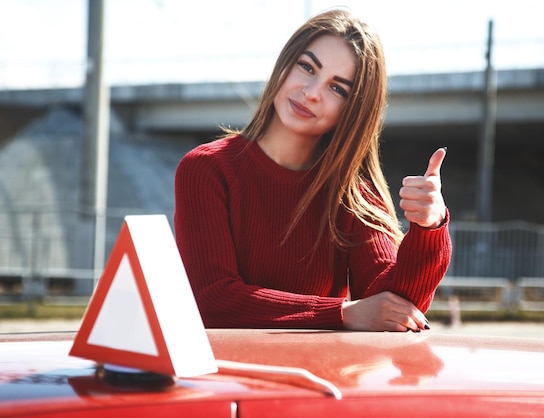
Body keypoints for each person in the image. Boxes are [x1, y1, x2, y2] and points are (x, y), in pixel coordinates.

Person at [174, 8, 452, 332]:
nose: (311, 93)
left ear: (353, 110)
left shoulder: (353, 193)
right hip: (232, 379)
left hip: (324, 380)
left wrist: (429, 228)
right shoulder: (207, 170)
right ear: (285, 64)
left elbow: (393, 306)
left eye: (338, 89)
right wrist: (342, 314)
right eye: (307, 67)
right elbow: (212, 301)